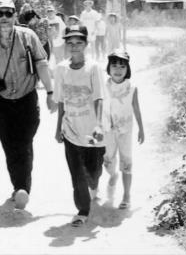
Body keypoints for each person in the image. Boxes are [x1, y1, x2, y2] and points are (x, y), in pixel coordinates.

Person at [0, 0, 55, 210]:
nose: (4, 18)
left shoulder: (28, 37)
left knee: (24, 142)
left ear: (15, 15)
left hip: (27, 99)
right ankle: (20, 187)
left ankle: (22, 187)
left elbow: (42, 63)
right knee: (10, 147)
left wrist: (50, 92)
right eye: (0, 14)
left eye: (9, 13)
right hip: (2, 103)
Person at [52, 25, 106, 227]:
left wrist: (99, 125)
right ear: (66, 45)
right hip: (71, 129)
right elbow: (60, 101)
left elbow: (99, 97)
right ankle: (82, 210)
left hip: (92, 131)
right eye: (70, 43)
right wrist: (58, 128)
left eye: (79, 43)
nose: (74, 47)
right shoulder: (60, 69)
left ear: (86, 44)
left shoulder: (93, 68)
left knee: (93, 172)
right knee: (77, 172)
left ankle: (94, 185)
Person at [101, 49, 144, 210]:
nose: (118, 70)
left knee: (126, 161)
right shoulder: (103, 86)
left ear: (127, 69)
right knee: (108, 161)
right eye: (114, 66)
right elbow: (98, 107)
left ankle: (126, 196)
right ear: (109, 68)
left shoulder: (132, 87)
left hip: (125, 129)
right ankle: (113, 176)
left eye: (122, 67)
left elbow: (136, 108)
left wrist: (141, 128)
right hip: (107, 130)